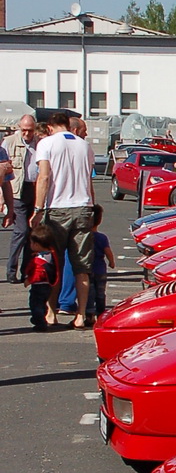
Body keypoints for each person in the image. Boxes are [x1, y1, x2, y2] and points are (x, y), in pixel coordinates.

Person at [32, 109, 96, 327]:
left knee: (55, 263)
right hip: (83, 205)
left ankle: (51, 312)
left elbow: (44, 177)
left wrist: (38, 208)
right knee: (82, 266)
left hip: (57, 208)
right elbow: (88, 180)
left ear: (50, 127)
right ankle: (80, 315)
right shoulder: (84, 145)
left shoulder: (47, 144)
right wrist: (93, 207)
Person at [4, 112, 38, 280]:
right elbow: (3, 173)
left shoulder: (40, 143)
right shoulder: (10, 142)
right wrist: (2, 200)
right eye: (24, 130)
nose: (27, 134)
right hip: (16, 191)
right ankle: (11, 270)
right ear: (19, 127)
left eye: (30, 130)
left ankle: (26, 271)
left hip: (34, 189)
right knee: (21, 231)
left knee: (32, 233)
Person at [24, 225, 59, 330]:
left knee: (35, 304)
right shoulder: (51, 254)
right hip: (47, 286)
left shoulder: (39, 260)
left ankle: (39, 322)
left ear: (36, 245)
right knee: (42, 303)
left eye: (31, 243)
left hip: (38, 286)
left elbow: (37, 274)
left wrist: (29, 280)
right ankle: (40, 318)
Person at [89, 204, 115, 316]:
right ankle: (100, 312)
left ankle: (89, 312)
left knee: (90, 291)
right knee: (100, 292)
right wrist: (111, 262)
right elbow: (107, 251)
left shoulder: (85, 236)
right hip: (100, 268)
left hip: (88, 268)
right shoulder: (102, 237)